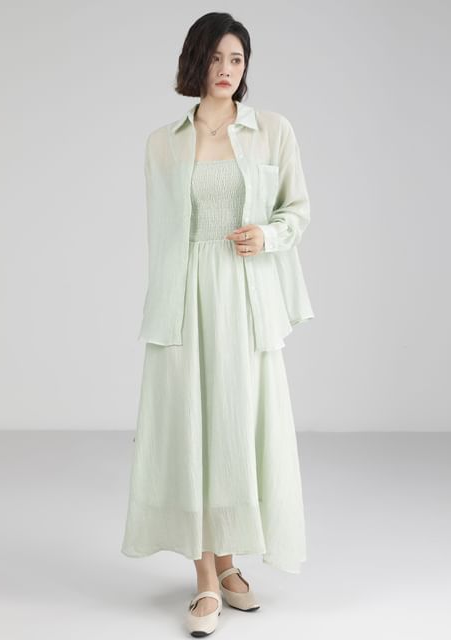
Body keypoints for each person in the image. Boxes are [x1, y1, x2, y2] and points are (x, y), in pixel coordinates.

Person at [120, 11, 315, 637]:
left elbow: (297, 210)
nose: (226, 70)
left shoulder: (272, 131)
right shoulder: (162, 143)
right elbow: (161, 238)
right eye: (215, 58)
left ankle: (229, 562)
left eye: (236, 59)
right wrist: (164, 305)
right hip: (185, 301)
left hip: (245, 297)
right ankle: (206, 575)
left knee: (235, 427)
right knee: (192, 429)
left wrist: (268, 235)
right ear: (195, 62)